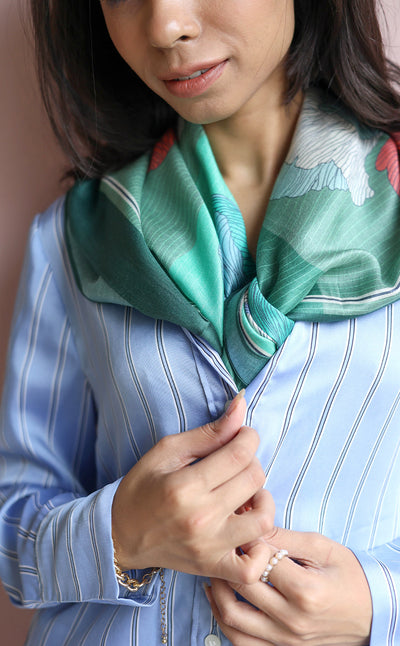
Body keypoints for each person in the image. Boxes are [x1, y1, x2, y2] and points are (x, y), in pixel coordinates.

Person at [1, 0, 400, 644]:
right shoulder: (75, 239)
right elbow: (12, 521)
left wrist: (377, 605)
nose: (165, 27)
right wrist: (120, 534)